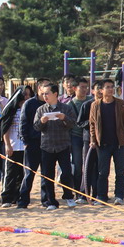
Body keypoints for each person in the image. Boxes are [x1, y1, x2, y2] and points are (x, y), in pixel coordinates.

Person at [89, 79, 124, 205]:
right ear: (101, 90)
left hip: (118, 143)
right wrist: (93, 140)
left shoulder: (120, 104)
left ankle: (119, 196)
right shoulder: (95, 105)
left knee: (120, 172)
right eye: (107, 87)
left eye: (111, 87)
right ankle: (102, 197)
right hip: (102, 144)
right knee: (103, 172)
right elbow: (92, 125)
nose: (110, 89)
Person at [34, 82, 75, 210]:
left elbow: (73, 124)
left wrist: (64, 118)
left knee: (66, 173)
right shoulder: (41, 110)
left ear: (55, 94)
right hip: (47, 146)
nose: (45, 96)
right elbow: (36, 127)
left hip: (63, 145)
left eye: (47, 93)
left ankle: (68, 196)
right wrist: (42, 121)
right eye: (43, 94)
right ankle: (51, 201)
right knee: (48, 175)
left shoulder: (66, 108)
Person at [16, 82, 48, 209]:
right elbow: (23, 123)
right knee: (29, 173)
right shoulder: (29, 103)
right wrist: (25, 141)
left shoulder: (50, 103)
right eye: (45, 87)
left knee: (46, 173)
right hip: (32, 142)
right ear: (39, 88)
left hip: (47, 142)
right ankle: (23, 201)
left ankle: (46, 200)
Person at [0, 85, 31, 208]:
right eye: (25, 94)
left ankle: (17, 197)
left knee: (22, 174)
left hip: (25, 147)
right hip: (13, 146)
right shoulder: (11, 110)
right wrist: (7, 145)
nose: (27, 97)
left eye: (29, 94)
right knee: (10, 173)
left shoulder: (29, 110)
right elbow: (5, 128)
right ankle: (6, 198)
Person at [66, 78, 89, 201]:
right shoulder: (69, 105)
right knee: (77, 165)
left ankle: (86, 191)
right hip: (75, 137)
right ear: (74, 88)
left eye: (86, 87)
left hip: (88, 137)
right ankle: (78, 192)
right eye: (82, 87)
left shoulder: (91, 101)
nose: (84, 89)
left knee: (88, 165)